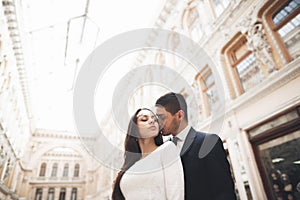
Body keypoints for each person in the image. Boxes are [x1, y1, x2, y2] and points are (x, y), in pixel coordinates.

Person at [155, 92, 237, 200]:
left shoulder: (208, 142)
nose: (158, 122)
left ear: (179, 115)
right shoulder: (163, 150)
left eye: (162, 117)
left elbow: (224, 192)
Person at [112, 108, 184, 200]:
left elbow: (176, 193)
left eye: (155, 120)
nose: (151, 121)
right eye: (144, 119)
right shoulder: (129, 168)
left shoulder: (166, 150)